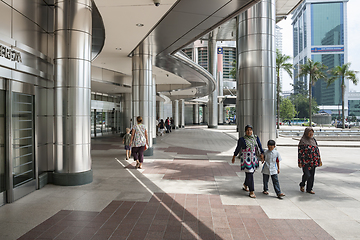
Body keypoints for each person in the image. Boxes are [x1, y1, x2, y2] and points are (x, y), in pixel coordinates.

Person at [232, 125, 264, 198]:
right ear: (245, 131)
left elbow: (259, 146)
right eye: (247, 130)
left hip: (254, 158)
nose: (249, 131)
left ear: (252, 131)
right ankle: (251, 191)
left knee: (250, 173)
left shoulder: (255, 138)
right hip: (246, 159)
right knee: (250, 174)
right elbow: (238, 148)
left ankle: (246, 184)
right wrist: (234, 156)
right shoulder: (242, 139)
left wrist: (262, 154)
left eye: (250, 130)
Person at [298, 127, 322, 194]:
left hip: (313, 160)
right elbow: (300, 152)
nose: (311, 134)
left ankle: (309, 189)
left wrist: (319, 159)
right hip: (305, 161)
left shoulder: (313, 140)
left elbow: (317, 150)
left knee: (312, 175)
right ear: (306, 132)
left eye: (312, 132)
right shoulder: (303, 140)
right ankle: (302, 184)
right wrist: (299, 162)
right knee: (307, 174)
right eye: (309, 132)